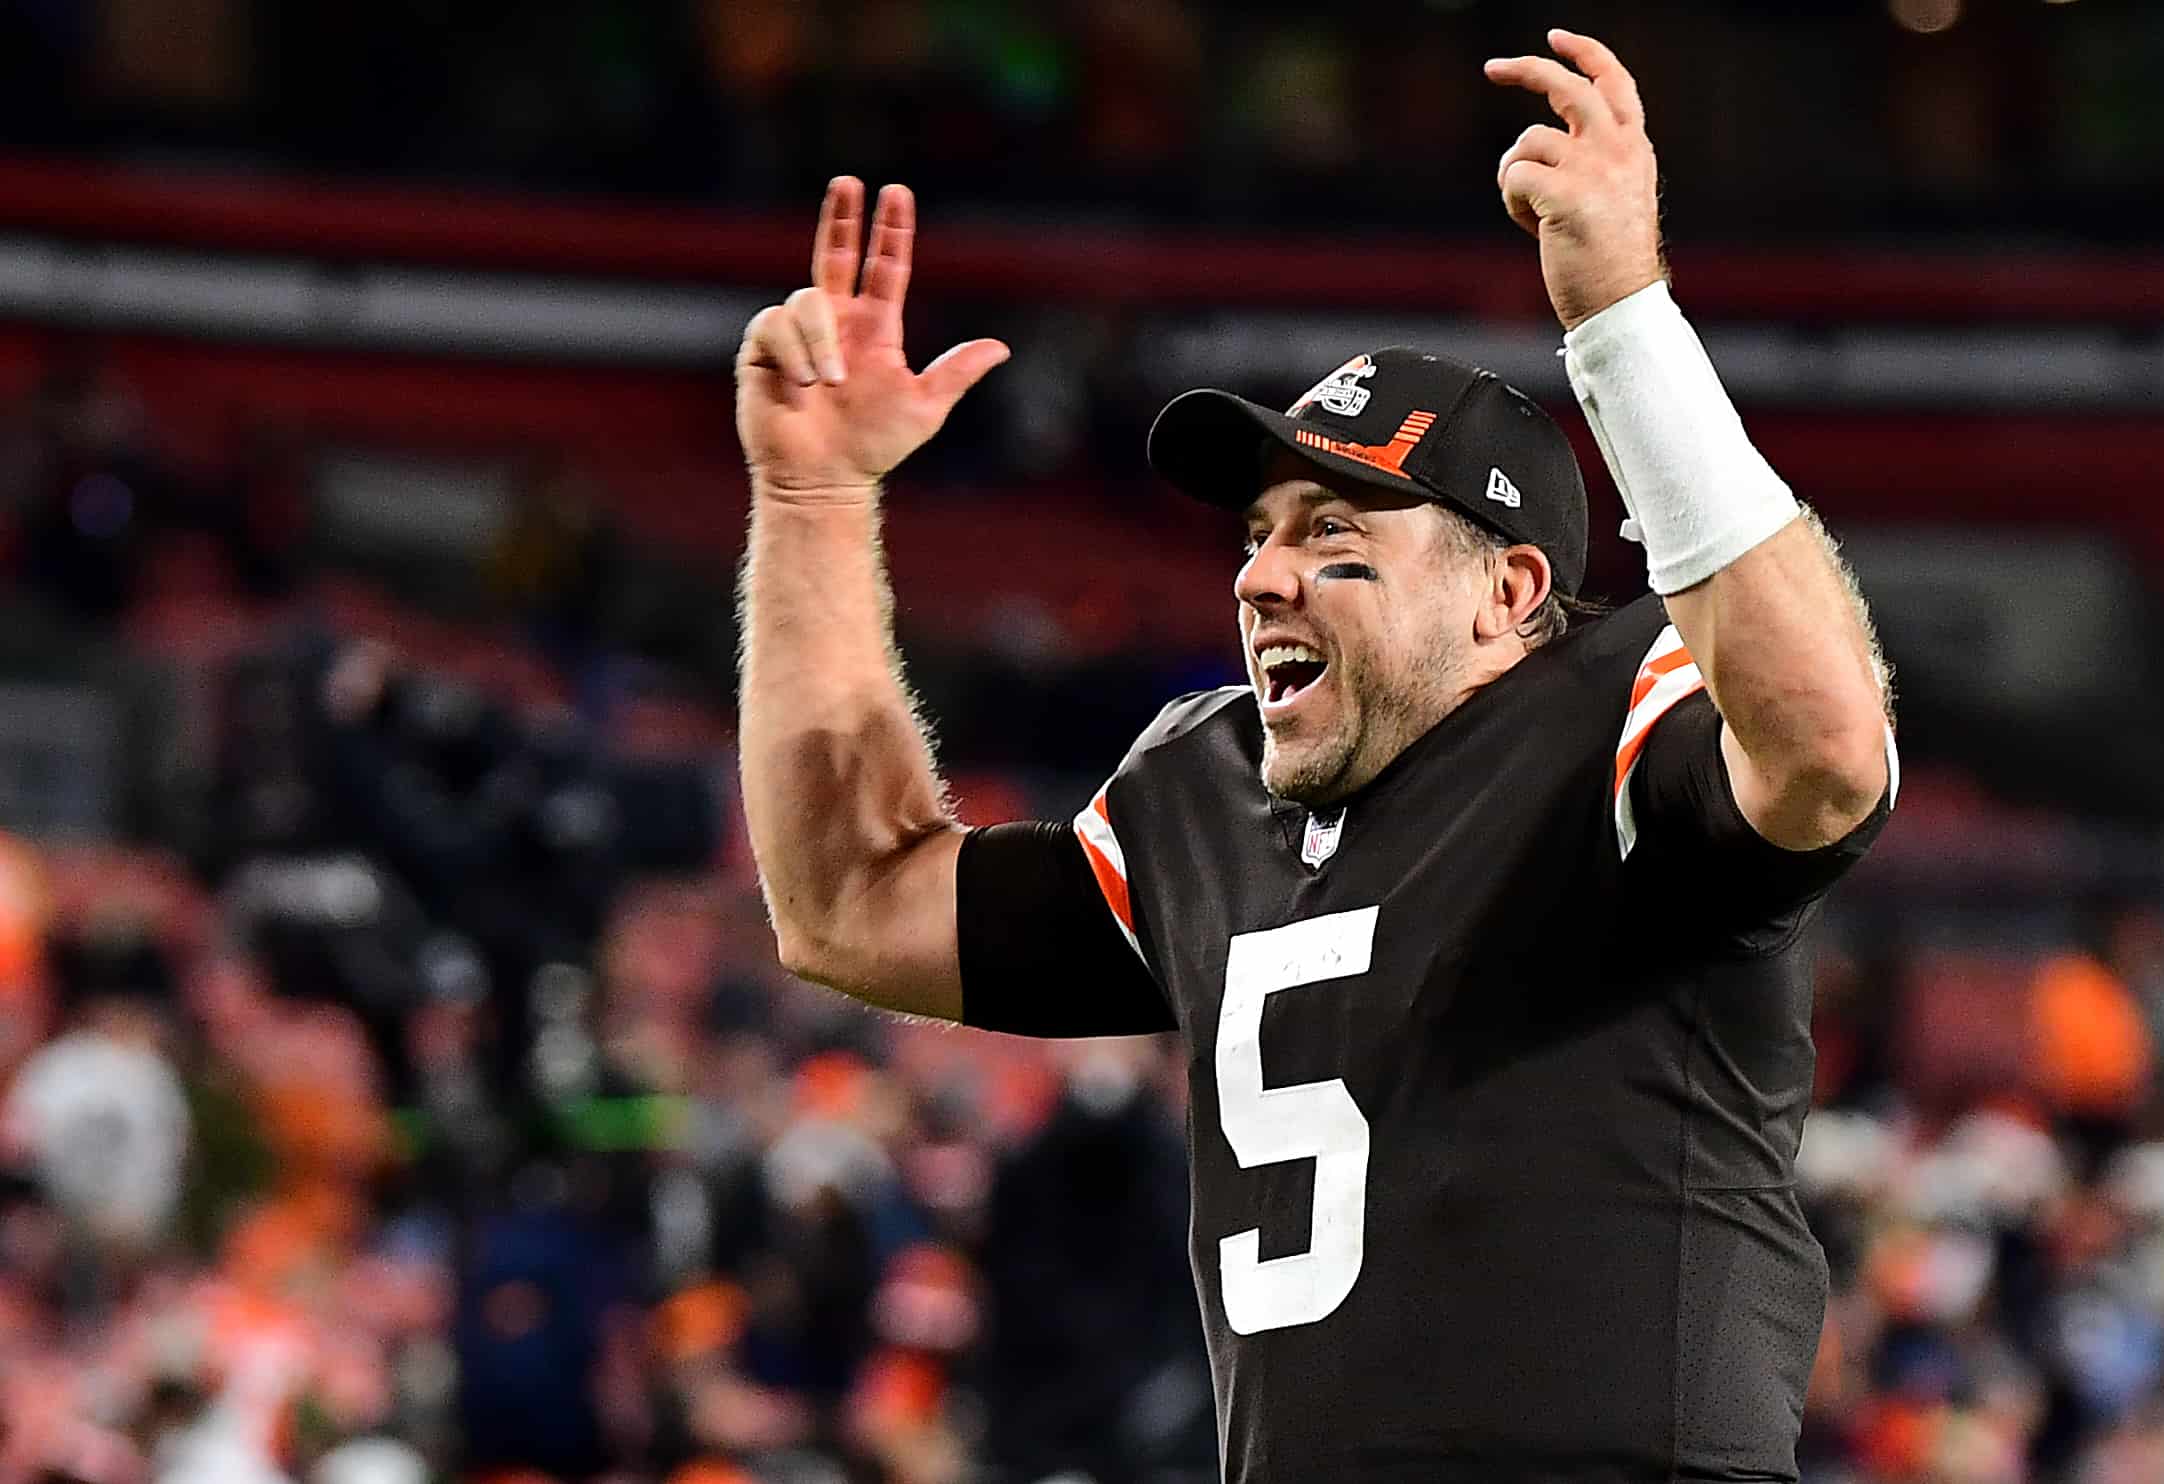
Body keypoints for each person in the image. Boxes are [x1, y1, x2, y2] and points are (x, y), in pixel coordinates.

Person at [735, 28, 1896, 1483]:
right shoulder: (1205, 793)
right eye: (1257, 534)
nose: (1262, 578)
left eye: (1333, 539)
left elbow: (1830, 752)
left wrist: (1620, 320)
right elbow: (848, 901)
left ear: (1510, 594)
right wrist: (813, 498)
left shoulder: (1606, 714)